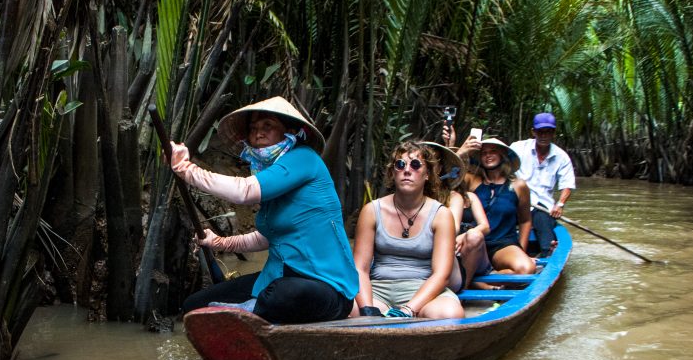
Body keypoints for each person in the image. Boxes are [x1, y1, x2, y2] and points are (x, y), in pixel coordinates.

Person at [170, 96, 358, 324]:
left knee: (281, 294)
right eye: (253, 128)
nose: (258, 133)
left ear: (288, 131)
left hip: (325, 288)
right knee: (194, 305)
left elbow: (244, 192)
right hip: (277, 280)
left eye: (267, 126)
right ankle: (249, 311)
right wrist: (221, 242)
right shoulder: (271, 176)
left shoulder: (304, 158)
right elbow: (267, 238)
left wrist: (188, 170)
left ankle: (248, 312)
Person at [352, 141, 464, 320]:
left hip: (423, 290)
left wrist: (409, 309)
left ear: (427, 174)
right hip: (379, 288)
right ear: (392, 172)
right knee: (347, 308)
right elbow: (360, 268)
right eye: (400, 164)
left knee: (449, 313)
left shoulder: (441, 215)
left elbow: (442, 274)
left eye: (416, 165)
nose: (407, 170)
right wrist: (367, 309)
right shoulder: (372, 210)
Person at [461, 138, 537, 275]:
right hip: (474, 243)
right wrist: (461, 151)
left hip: (503, 245)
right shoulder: (471, 181)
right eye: (484, 153)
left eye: (493, 151)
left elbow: (525, 221)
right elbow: (445, 179)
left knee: (526, 269)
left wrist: (521, 250)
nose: (488, 155)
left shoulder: (518, 186)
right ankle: (478, 279)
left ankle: (490, 275)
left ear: (502, 155)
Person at [509, 112, 575, 257]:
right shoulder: (518, 148)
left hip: (542, 207)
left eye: (548, 132)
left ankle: (547, 253)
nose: (544, 136)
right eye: (540, 132)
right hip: (516, 201)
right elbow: (503, 166)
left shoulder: (561, 157)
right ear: (533, 132)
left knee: (544, 227)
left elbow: (567, 184)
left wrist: (560, 204)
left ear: (554, 133)